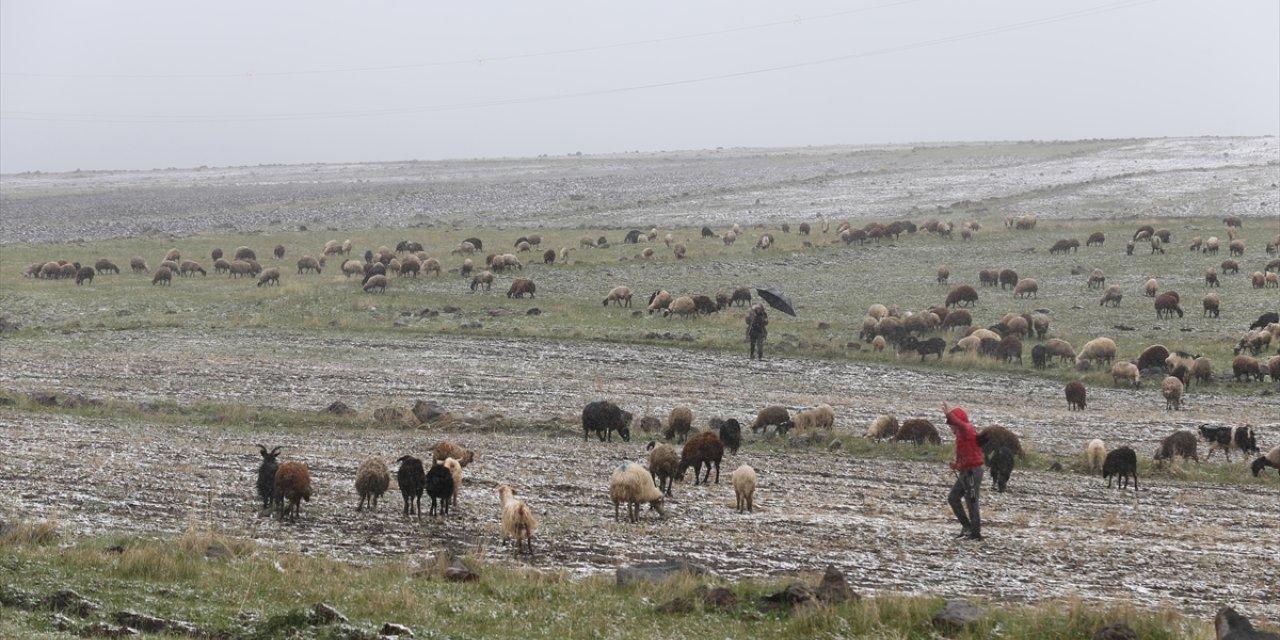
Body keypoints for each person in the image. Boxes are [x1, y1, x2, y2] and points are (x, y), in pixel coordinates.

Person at [943, 402, 984, 540]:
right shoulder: (961, 435)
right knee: (953, 498)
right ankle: (967, 527)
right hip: (966, 471)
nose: (951, 428)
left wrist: (948, 414)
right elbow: (966, 456)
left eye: (951, 425)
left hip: (973, 472)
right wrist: (956, 465)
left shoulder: (967, 429)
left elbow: (959, 423)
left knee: (971, 501)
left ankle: (975, 534)